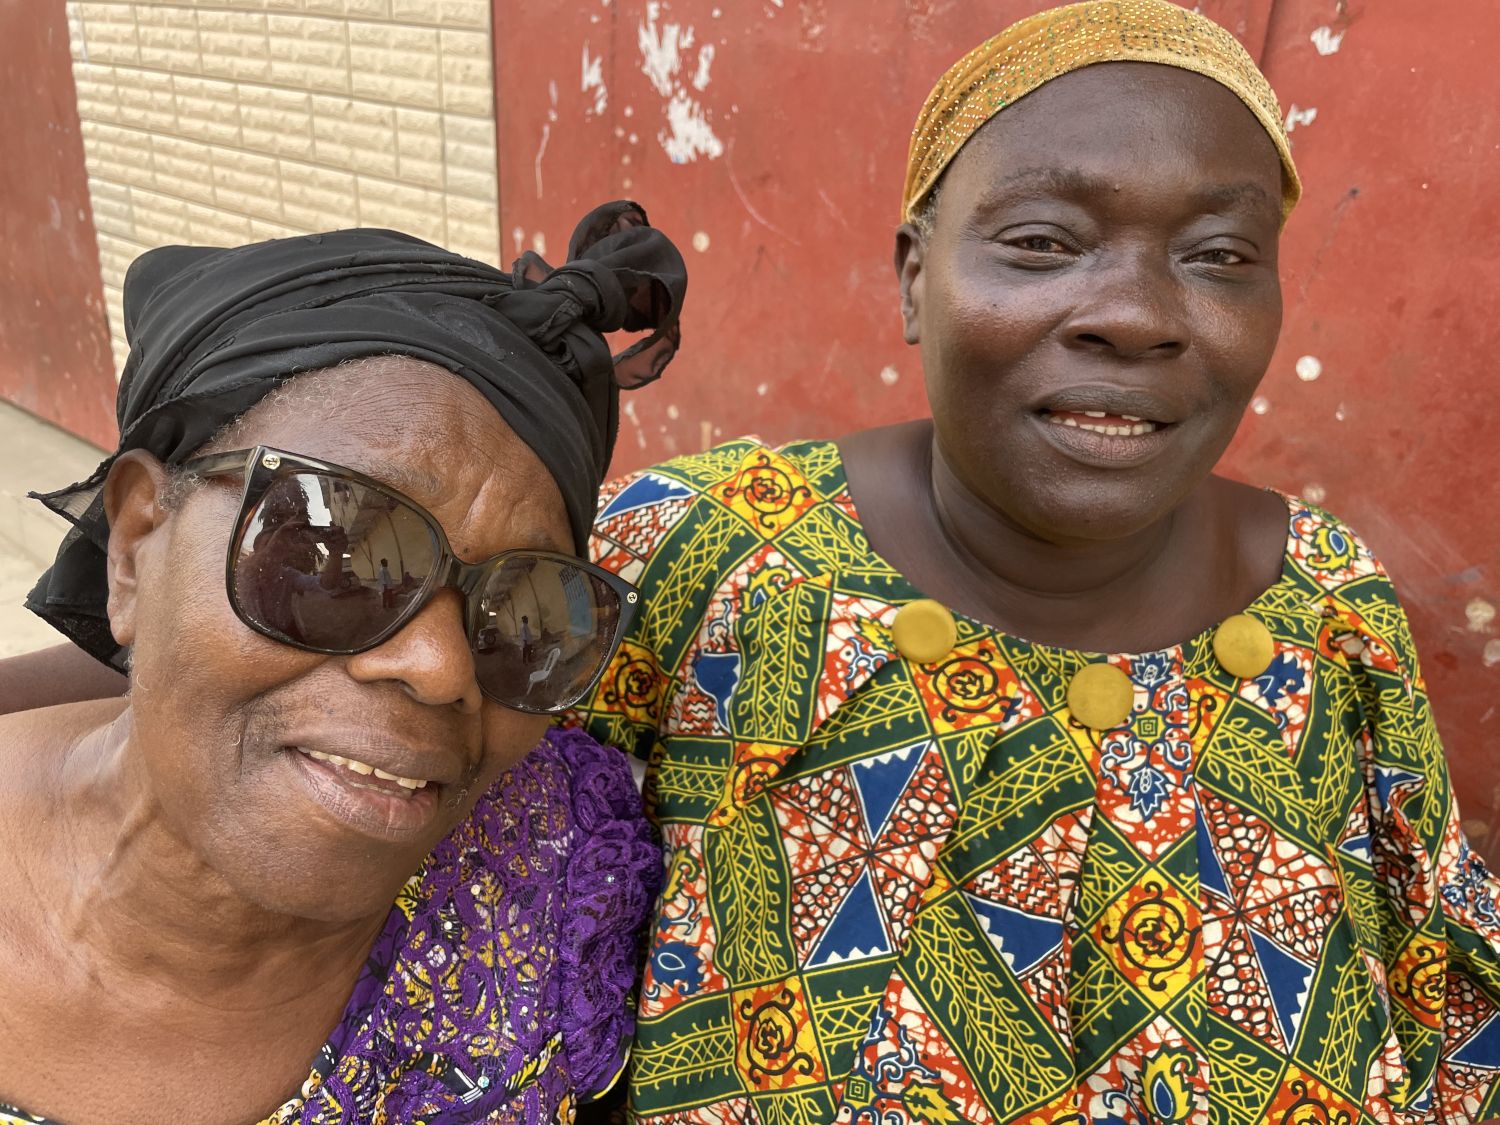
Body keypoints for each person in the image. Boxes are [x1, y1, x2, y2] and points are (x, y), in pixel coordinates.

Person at [562, 4, 1500, 1123]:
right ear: (916, 279)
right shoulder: (701, 560)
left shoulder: (1327, 604)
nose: (1139, 317)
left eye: (1219, 256)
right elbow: (504, 968)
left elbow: (1440, 995)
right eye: (1045, 241)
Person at [0, 201, 684, 1124]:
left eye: (522, 611)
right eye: (336, 554)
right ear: (132, 548)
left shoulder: (568, 869)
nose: (442, 666)